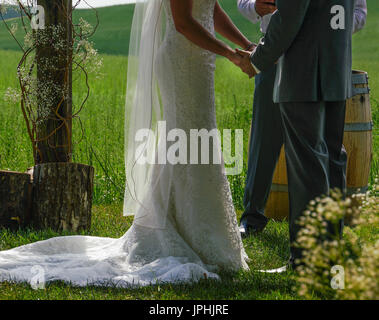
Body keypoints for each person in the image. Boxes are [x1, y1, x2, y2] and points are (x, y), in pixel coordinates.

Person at [0, 0, 254, 287]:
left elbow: (212, 9)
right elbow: (183, 23)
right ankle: (184, 232)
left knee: (196, 143)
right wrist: (232, 55)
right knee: (187, 142)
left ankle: (201, 233)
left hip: (200, 61)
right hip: (183, 58)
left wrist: (245, 44)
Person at [237, 0, 355, 270]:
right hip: (336, 63)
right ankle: (329, 248)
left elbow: (290, 15)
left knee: (308, 165)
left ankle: (306, 259)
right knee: (332, 158)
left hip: (304, 69)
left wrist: (257, 60)